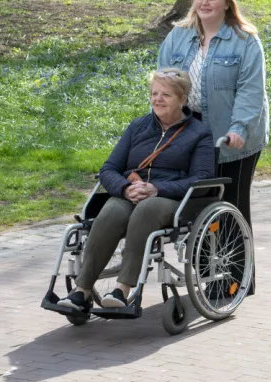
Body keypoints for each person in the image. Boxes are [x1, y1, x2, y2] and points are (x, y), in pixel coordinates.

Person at [63, 69, 215, 310]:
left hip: (171, 198)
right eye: (154, 93)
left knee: (146, 210)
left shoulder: (199, 133)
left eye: (166, 94)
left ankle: (122, 289)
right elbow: (109, 168)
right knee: (110, 212)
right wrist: (124, 189)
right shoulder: (138, 127)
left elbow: (202, 177)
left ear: (182, 99)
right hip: (131, 192)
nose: (158, 99)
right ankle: (81, 291)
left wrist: (156, 189)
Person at [158, 0, 269, 230]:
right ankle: (206, 268)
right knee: (200, 209)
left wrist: (239, 128)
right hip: (192, 132)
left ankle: (238, 269)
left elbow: (250, 91)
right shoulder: (177, 37)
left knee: (231, 207)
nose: (204, 3)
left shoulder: (245, 41)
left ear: (227, 3)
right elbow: (163, 86)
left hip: (233, 133)